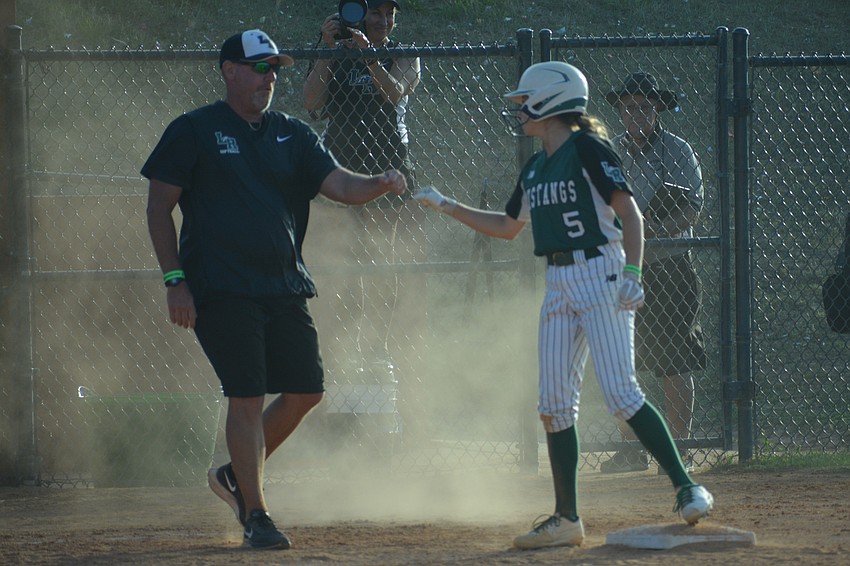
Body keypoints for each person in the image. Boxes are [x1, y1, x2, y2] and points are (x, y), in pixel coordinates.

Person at [413, 61, 714, 549]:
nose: (519, 110)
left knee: (622, 394)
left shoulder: (588, 148)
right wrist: (448, 205)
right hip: (559, 280)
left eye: (525, 102)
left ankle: (686, 486)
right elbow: (509, 227)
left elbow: (630, 213)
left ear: (552, 102)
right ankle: (567, 518)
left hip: (602, 271)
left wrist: (634, 273)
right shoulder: (535, 166)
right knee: (553, 405)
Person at [142, 29, 407, 550]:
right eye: (260, 67)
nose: (270, 77)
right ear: (229, 71)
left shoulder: (291, 133)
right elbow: (157, 208)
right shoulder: (194, 130)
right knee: (245, 394)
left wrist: (379, 181)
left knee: (307, 390)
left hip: (284, 285)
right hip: (221, 289)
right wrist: (176, 281)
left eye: (275, 69)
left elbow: (342, 186)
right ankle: (257, 514)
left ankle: (235, 477)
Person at [302, 0, 425, 440]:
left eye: (390, 15)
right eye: (375, 13)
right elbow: (311, 102)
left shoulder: (403, 54)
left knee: (379, 258)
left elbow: (396, 91)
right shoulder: (336, 51)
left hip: (388, 166)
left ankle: (378, 342)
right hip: (339, 170)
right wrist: (327, 48)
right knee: (341, 262)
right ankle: (340, 345)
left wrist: (368, 53)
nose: (383, 21)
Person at [599, 72, 707, 474]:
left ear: (657, 109)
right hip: (623, 267)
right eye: (628, 107)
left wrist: (649, 232)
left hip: (669, 266)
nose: (636, 114)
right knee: (618, 361)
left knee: (674, 360)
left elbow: (691, 208)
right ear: (621, 112)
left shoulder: (678, 151)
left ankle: (678, 450)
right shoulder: (610, 152)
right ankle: (632, 450)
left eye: (644, 106)